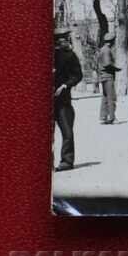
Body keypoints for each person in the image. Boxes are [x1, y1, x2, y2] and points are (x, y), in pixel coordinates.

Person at [52, 27, 83, 171]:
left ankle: (67, 161)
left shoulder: (69, 56)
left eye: (62, 38)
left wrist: (65, 85)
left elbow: (77, 75)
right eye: (57, 39)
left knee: (67, 132)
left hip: (62, 101)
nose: (60, 41)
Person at [95, 31, 119, 124]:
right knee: (111, 97)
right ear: (112, 41)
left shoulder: (102, 49)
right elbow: (107, 64)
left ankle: (103, 116)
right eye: (114, 41)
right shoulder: (107, 50)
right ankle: (112, 117)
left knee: (105, 97)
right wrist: (116, 69)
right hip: (108, 77)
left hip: (103, 76)